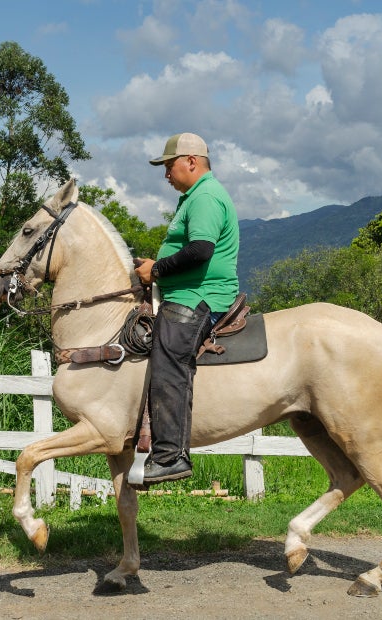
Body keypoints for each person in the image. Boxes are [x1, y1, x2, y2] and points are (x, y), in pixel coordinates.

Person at [134, 132, 240, 484]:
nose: (166, 174)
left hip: (200, 295)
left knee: (168, 354)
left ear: (191, 161)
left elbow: (200, 251)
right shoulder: (195, 196)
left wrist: (158, 270)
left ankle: (170, 456)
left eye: (169, 165)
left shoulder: (206, 196)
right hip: (187, 290)